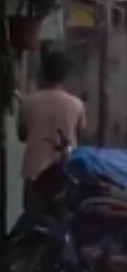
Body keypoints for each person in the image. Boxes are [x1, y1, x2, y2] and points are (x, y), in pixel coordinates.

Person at [17, 50, 86, 215]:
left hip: (34, 175)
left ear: (42, 73)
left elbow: (22, 135)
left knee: (33, 224)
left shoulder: (27, 103)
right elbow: (79, 138)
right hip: (65, 176)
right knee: (63, 223)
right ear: (64, 75)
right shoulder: (76, 105)